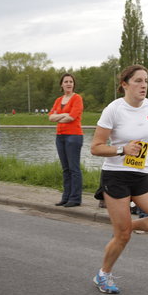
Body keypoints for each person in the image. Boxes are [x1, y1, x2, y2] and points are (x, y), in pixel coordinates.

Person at [90, 64, 148, 294]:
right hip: (116, 176)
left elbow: (145, 135)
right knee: (123, 237)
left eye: (146, 80)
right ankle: (103, 275)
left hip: (140, 173)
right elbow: (96, 148)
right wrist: (121, 150)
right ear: (124, 84)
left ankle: (127, 227)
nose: (144, 85)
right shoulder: (113, 110)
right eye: (138, 80)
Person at [48, 73, 84, 207]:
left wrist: (59, 116)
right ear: (61, 84)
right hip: (60, 136)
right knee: (65, 169)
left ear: (73, 84)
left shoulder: (77, 98)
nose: (68, 84)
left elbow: (72, 117)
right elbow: (50, 117)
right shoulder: (58, 100)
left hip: (73, 136)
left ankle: (75, 198)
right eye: (66, 81)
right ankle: (66, 196)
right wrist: (64, 115)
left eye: (71, 81)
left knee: (74, 168)